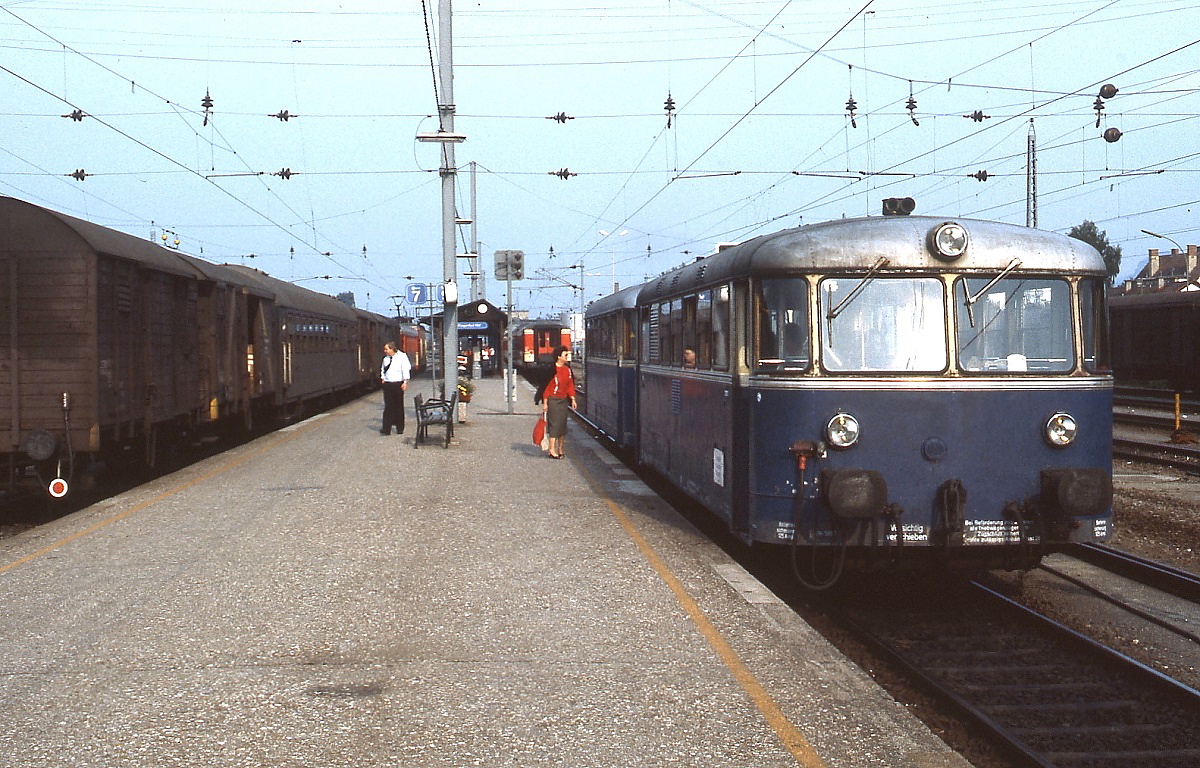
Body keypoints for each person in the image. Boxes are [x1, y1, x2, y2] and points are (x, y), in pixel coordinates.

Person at [540, 345, 576, 459]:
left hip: (563, 400)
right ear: (559, 357)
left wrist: (573, 398)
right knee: (555, 425)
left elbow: (570, 385)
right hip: (553, 400)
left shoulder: (567, 370)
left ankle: (560, 449)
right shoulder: (552, 370)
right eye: (565, 355)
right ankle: (552, 449)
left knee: (562, 425)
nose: (567, 357)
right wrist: (545, 403)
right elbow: (546, 388)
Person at [380, 341, 411, 435]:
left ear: (392, 348)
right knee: (388, 406)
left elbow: (405, 368)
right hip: (388, 384)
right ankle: (386, 429)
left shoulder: (402, 357)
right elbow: (383, 369)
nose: (385, 351)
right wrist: (383, 378)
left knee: (398, 406)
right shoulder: (386, 359)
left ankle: (400, 428)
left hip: (398, 383)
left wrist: (405, 381)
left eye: (386, 349)